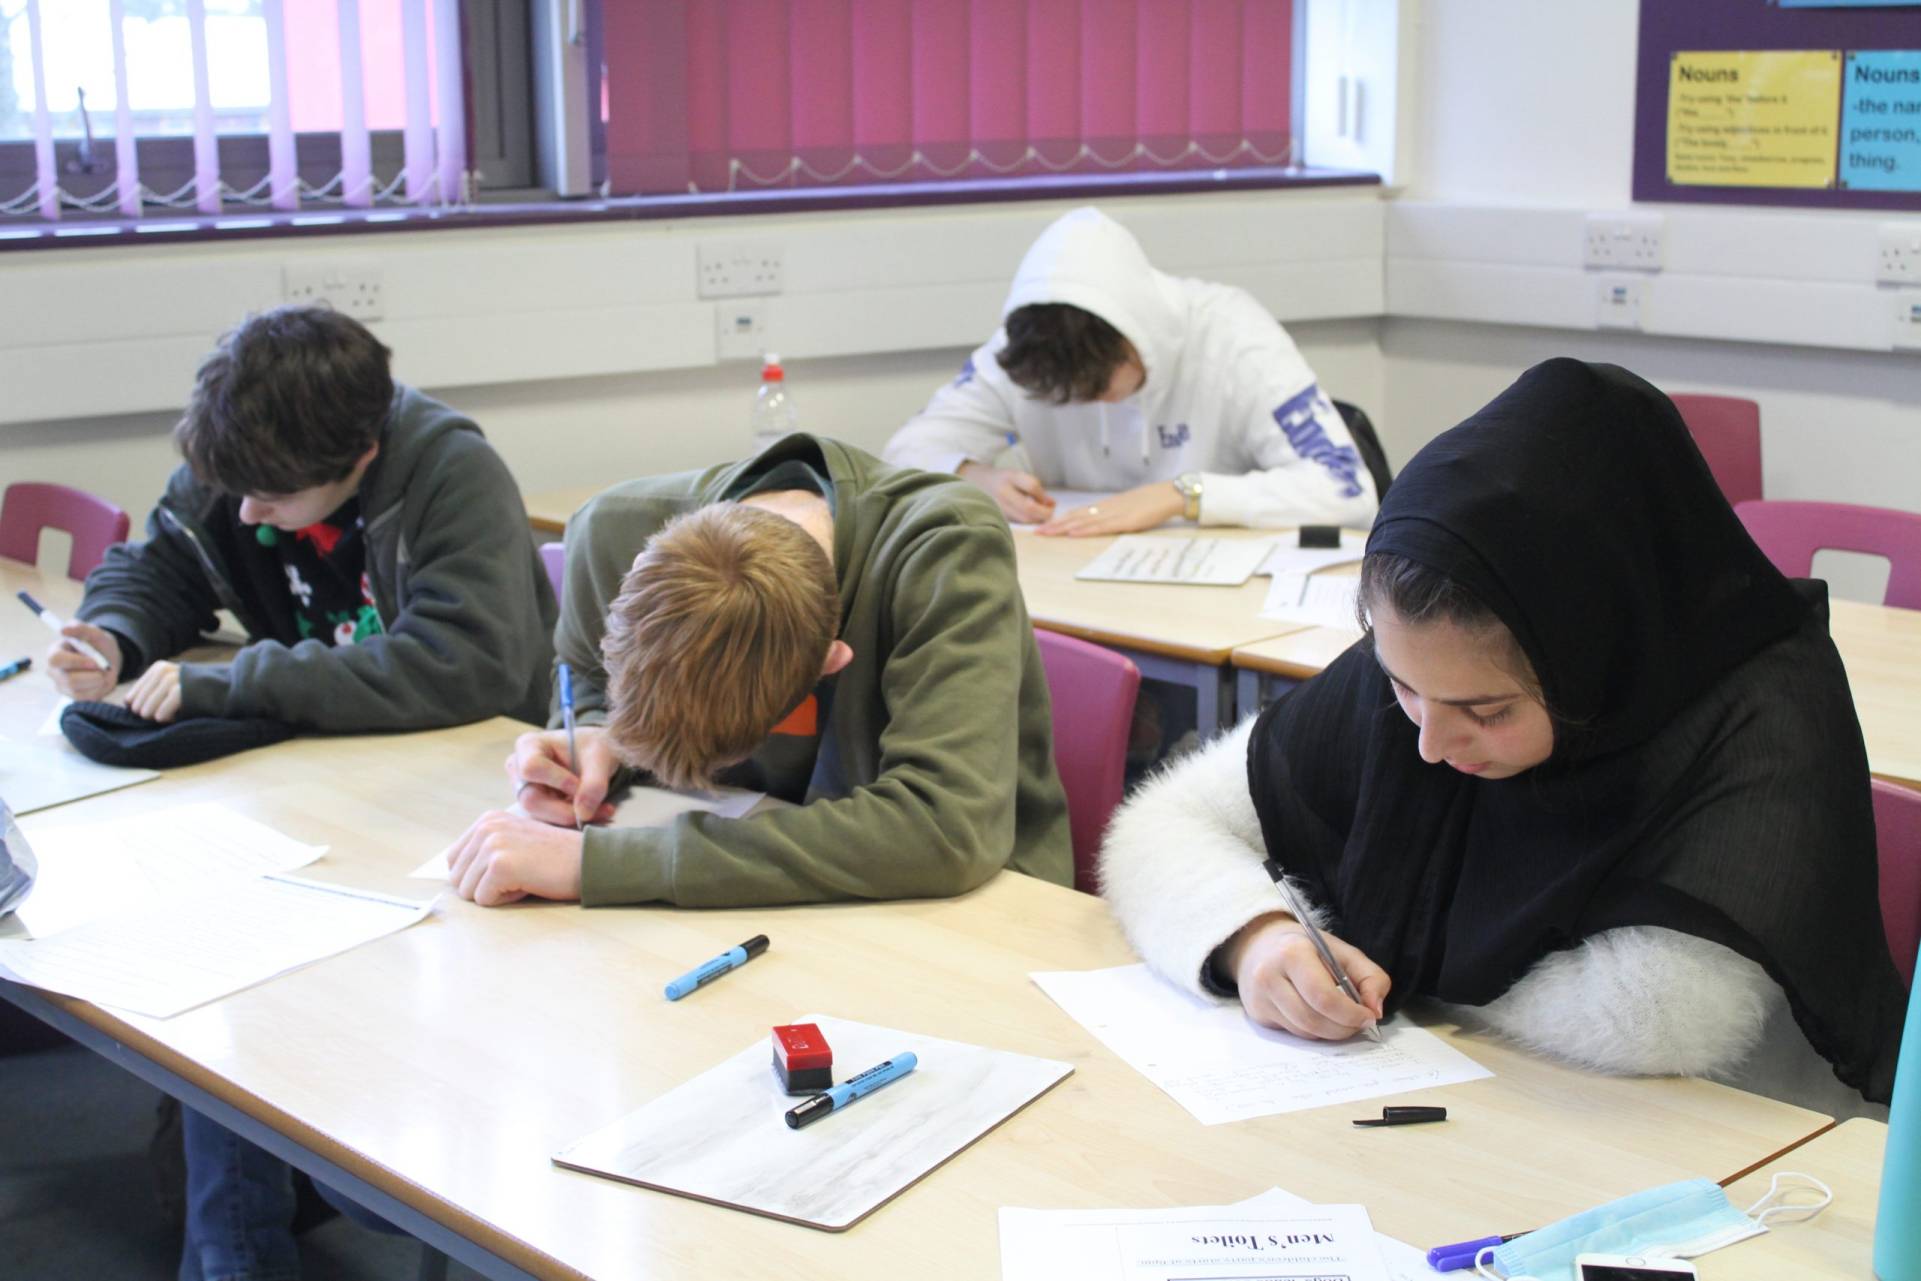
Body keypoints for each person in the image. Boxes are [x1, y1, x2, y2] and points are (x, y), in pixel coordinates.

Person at [1099, 358, 1904, 1114]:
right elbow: (1159, 822)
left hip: (1737, 1140)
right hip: (1502, 1103)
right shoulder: (1435, 641)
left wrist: (1382, 952)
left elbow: (1657, 1016)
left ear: (1591, 654)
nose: (1427, 743)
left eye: (1486, 712)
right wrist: (1257, 937)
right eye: (1400, 687)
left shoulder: (1762, 709)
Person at [44, 304, 558, 1281]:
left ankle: (252, 1234)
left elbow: (467, 667)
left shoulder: (448, 471)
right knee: (221, 969)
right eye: (233, 491)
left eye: (271, 498)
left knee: (244, 995)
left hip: (447, 804)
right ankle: (242, 1239)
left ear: (361, 454)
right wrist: (113, 633)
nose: (244, 513)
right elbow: (159, 564)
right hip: (318, 788)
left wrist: (237, 681)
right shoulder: (245, 450)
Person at [442, 433, 1072, 908]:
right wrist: (593, 736)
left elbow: (943, 829)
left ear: (830, 660)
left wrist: (601, 865)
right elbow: (580, 682)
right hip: (738, 885)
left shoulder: (946, 546)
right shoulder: (606, 532)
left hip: (950, 910)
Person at [881, 205, 1380, 536]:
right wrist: (972, 475)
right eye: (1065, 395)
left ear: (1136, 339)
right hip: (1077, 575)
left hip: (1216, 591)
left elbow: (1347, 491)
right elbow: (902, 453)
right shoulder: (1027, 350)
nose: (1085, 402)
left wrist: (1184, 496)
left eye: (1098, 387)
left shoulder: (1232, 335)